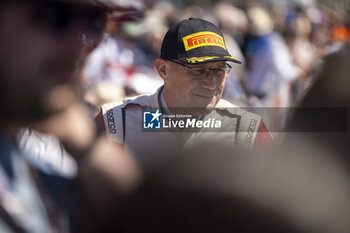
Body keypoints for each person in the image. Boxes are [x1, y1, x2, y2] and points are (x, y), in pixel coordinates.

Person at [0, 0, 141, 232]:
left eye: (94, 22)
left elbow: (148, 217)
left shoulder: (25, 162)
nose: (78, 42)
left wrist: (86, 142)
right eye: (56, 15)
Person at [96, 18, 273, 160]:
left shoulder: (248, 131)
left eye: (219, 71)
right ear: (163, 70)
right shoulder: (115, 123)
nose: (211, 83)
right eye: (198, 71)